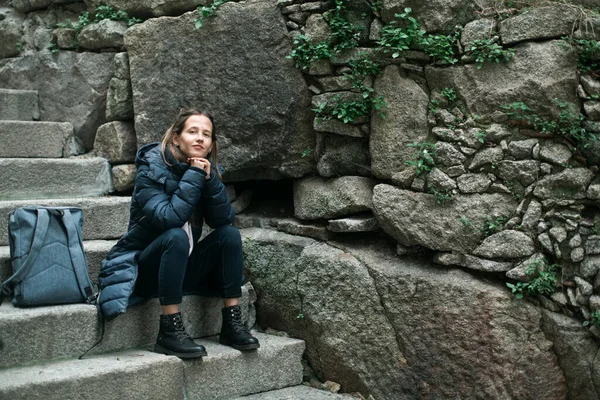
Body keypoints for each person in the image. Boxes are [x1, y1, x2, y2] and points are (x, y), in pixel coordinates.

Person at [98, 108, 259, 359]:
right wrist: (195, 176)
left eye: (206, 135)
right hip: (147, 269)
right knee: (176, 236)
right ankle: (170, 330)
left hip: (183, 268)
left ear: (211, 144)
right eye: (192, 131)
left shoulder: (204, 172)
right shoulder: (151, 169)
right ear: (176, 138)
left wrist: (211, 181)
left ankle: (231, 323)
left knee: (229, 234)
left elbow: (222, 219)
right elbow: (168, 218)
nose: (199, 138)